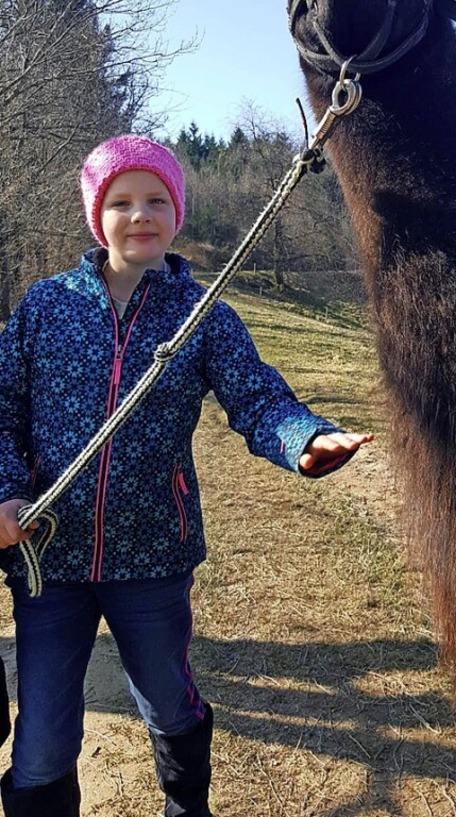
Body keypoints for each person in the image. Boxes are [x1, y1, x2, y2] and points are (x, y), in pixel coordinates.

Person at [0, 135, 373, 817]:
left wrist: (305, 438)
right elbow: (3, 409)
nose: (139, 214)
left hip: (154, 558)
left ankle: (186, 806)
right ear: (96, 213)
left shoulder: (204, 315)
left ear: (176, 213)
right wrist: (3, 491)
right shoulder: (45, 307)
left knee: (169, 701)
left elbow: (258, 398)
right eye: (121, 201)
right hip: (47, 559)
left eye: (155, 200)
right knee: (43, 739)